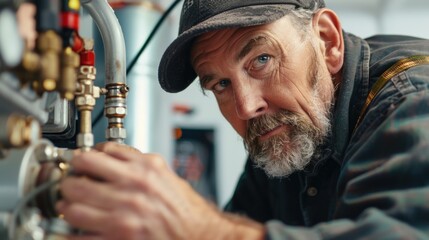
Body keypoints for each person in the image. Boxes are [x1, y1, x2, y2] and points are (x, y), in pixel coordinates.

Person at [57, 0, 429, 239]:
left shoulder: (411, 100)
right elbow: (243, 221)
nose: (246, 106)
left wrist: (201, 228)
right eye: (220, 83)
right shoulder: (283, 133)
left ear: (327, 40)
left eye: (261, 60)